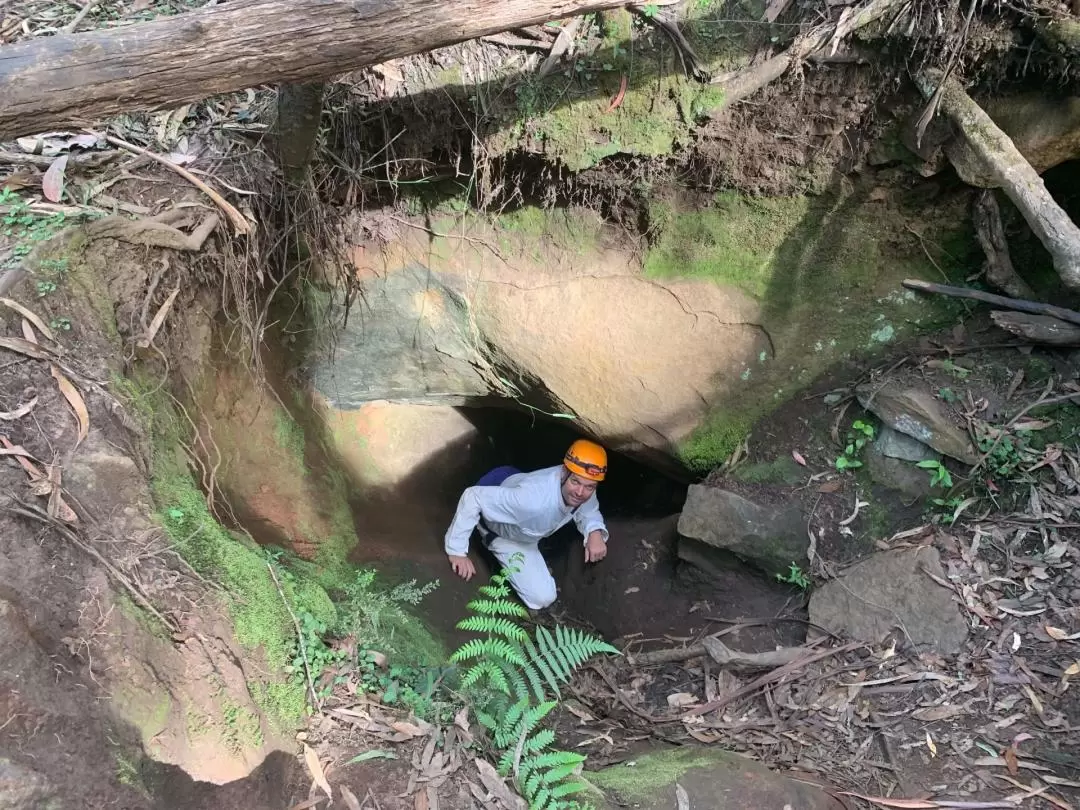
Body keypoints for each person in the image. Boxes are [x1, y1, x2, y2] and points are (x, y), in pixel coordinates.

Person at [443, 439, 610, 610]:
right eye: (575, 482)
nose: (580, 492)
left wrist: (594, 531)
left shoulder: (581, 488)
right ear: (564, 472)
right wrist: (456, 550)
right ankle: (485, 535)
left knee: (546, 597)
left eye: (589, 487)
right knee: (539, 598)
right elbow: (473, 497)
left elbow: (588, 508)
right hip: (500, 526)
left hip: (524, 519)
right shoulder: (531, 500)